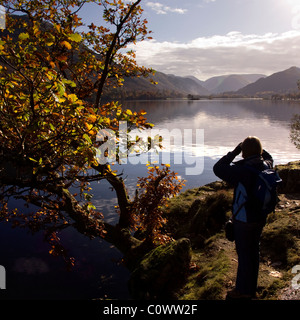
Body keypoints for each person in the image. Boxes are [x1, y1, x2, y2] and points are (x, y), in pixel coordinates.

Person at [213, 136, 274, 300]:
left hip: (244, 220)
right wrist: (259, 149)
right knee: (253, 252)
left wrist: (234, 151)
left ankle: (242, 291)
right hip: (260, 218)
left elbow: (218, 168)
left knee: (244, 256)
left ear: (244, 153)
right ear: (260, 151)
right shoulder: (266, 166)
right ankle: (250, 289)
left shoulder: (242, 172)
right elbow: (269, 158)